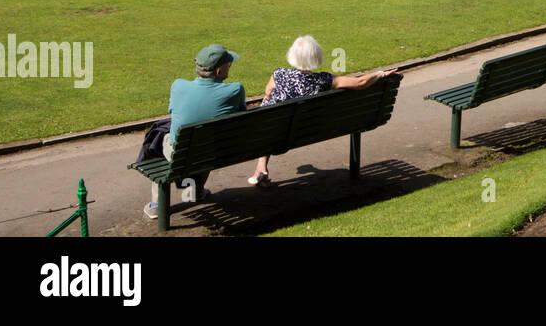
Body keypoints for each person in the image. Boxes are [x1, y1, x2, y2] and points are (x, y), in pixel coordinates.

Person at [249, 36, 396, 186]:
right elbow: (360, 83)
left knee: (269, 112)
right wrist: (381, 74)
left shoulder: (278, 75)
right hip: (310, 130)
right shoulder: (325, 80)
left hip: (273, 132)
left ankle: (261, 167)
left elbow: (267, 96)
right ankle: (261, 168)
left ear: (292, 55)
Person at [148, 44, 246, 217]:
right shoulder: (235, 90)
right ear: (218, 72)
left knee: (161, 140)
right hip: (217, 151)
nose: (230, 66)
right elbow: (242, 116)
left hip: (182, 154)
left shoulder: (178, 86)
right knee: (206, 138)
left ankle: (157, 204)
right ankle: (195, 191)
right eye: (228, 64)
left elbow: (173, 111)